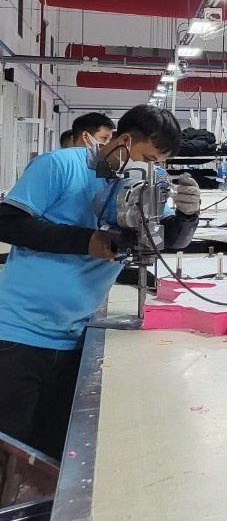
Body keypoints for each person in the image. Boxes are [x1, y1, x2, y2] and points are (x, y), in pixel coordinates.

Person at [0, 105, 200, 458]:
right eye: (148, 158)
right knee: (11, 450)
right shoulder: (60, 166)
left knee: (51, 455)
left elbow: (162, 238)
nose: (153, 169)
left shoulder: (140, 186)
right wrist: (85, 241)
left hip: (77, 339)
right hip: (18, 335)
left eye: (159, 164)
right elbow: (8, 222)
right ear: (124, 141)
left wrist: (187, 217)